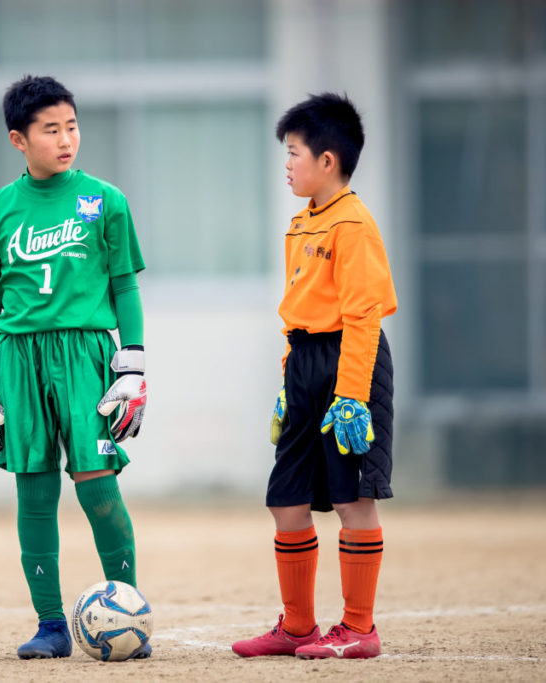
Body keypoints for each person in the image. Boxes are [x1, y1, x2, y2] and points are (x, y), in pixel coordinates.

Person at [0, 75, 150, 660]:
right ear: (19, 139)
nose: (66, 139)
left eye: (71, 126)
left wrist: (133, 365)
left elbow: (123, 286)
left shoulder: (105, 200)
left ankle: (130, 613)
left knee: (98, 489)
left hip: (89, 354)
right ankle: (50, 625)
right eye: (51, 129)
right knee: (34, 493)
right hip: (18, 359)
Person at [232, 92, 396, 660]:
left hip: (350, 362)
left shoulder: (353, 223)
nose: (287, 163)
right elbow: (297, 313)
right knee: (286, 498)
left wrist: (351, 395)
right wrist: (287, 386)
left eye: (294, 152)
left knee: (353, 499)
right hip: (304, 365)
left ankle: (358, 629)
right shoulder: (302, 224)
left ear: (328, 160)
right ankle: (298, 627)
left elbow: (364, 317)